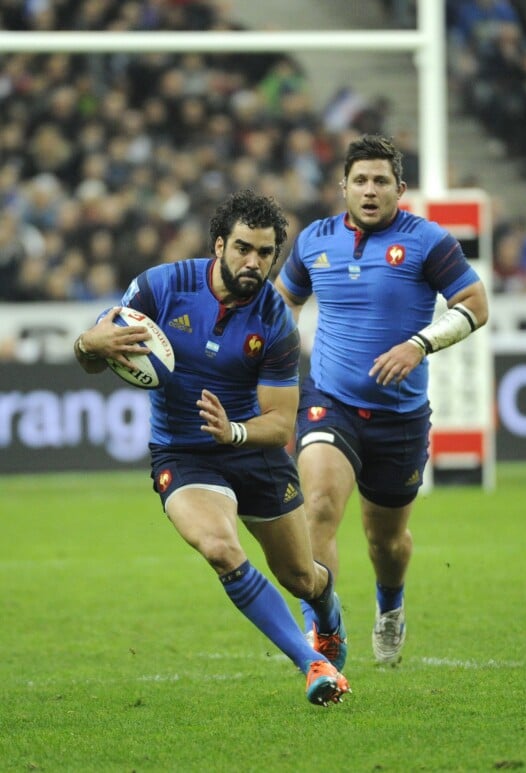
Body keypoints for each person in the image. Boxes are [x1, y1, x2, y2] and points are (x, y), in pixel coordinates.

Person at [74, 189, 350, 707]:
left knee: (300, 576)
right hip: (182, 451)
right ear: (219, 244)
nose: (254, 262)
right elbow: (92, 347)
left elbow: (281, 422)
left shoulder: (273, 320)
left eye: (266, 254)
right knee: (221, 549)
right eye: (244, 248)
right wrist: (92, 344)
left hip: (252, 449)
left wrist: (235, 432)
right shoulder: (163, 286)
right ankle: (312, 662)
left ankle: (327, 606)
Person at [275, 135, 489, 664]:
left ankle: (389, 607)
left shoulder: (427, 241)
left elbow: (476, 304)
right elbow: (285, 301)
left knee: (385, 542)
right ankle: (322, 629)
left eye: (381, 182)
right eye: (361, 181)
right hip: (330, 400)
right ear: (343, 186)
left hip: (400, 417)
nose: (370, 191)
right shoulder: (313, 241)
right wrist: (272, 359)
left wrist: (419, 345)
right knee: (319, 507)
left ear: (400, 189)